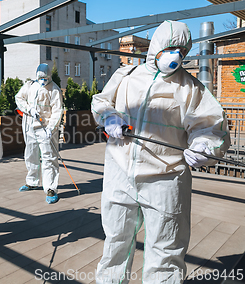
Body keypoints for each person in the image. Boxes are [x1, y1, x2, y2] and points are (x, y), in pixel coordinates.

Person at [91, 20, 230, 283]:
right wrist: (109, 117)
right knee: (115, 243)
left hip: (165, 179)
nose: (174, 55)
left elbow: (212, 128)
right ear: (155, 46)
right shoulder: (126, 76)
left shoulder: (191, 89)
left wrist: (203, 147)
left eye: (181, 50)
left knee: (165, 251)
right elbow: (100, 102)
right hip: (120, 172)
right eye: (169, 47)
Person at [15, 63, 64, 204]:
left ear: (49, 76)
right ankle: (32, 182)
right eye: (40, 78)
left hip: (45, 128)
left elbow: (57, 111)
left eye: (45, 78)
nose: (43, 81)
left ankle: (51, 188)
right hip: (29, 126)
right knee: (31, 155)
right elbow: (19, 98)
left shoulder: (54, 90)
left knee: (49, 158)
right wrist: (29, 109)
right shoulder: (30, 85)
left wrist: (51, 128)